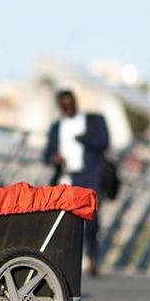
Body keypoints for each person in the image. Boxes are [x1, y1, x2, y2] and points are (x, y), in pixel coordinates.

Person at [44, 90, 110, 275]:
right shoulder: (57, 127)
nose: (68, 108)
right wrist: (54, 158)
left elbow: (104, 142)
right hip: (65, 176)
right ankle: (62, 259)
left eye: (70, 104)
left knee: (90, 218)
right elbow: (47, 153)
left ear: (75, 102)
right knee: (62, 218)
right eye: (64, 105)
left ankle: (92, 256)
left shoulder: (93, 121)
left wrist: (84, 139)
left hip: (89, 175)